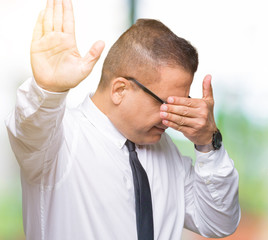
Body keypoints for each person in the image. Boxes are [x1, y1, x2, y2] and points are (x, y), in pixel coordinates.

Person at [5, 0, 241, 239]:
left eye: (181, 103)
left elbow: (219, 223)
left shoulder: (166, 151)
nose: (171, 117)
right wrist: (47, 90)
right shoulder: (58, 141)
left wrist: (208, 143)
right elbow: (31, 128)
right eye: (165, 103)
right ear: (120, 90)